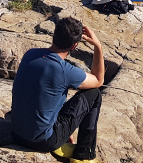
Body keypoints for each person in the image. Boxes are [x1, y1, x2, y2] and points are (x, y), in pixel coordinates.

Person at [10, 17, 104, 163]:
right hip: (43, 141)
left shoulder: (30, 54)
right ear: (74, 46)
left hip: (16, 133)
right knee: (94, 94)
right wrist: (98, 46)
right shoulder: (64, 70)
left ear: (54, 35)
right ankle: (84, 155)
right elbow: (98, 80)